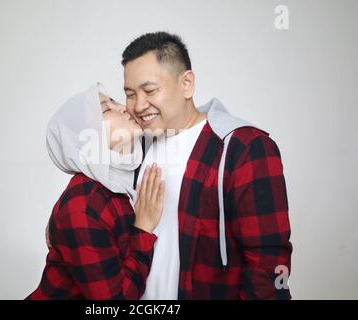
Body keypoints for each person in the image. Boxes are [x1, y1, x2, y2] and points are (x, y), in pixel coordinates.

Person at [122, 32, 292, 299]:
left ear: (187, 83)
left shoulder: (244, 148)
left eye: (150, 90)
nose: (139, 105)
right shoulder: (135, 149)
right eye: (130, 94)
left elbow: (268, 263)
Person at [27, 83, 165, 299]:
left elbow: (182, 117)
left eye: (116, 101)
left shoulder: (126, 175)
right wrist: (144, 227)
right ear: (86, 137)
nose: (123, 108)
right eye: (106, 109)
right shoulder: (83, 207)